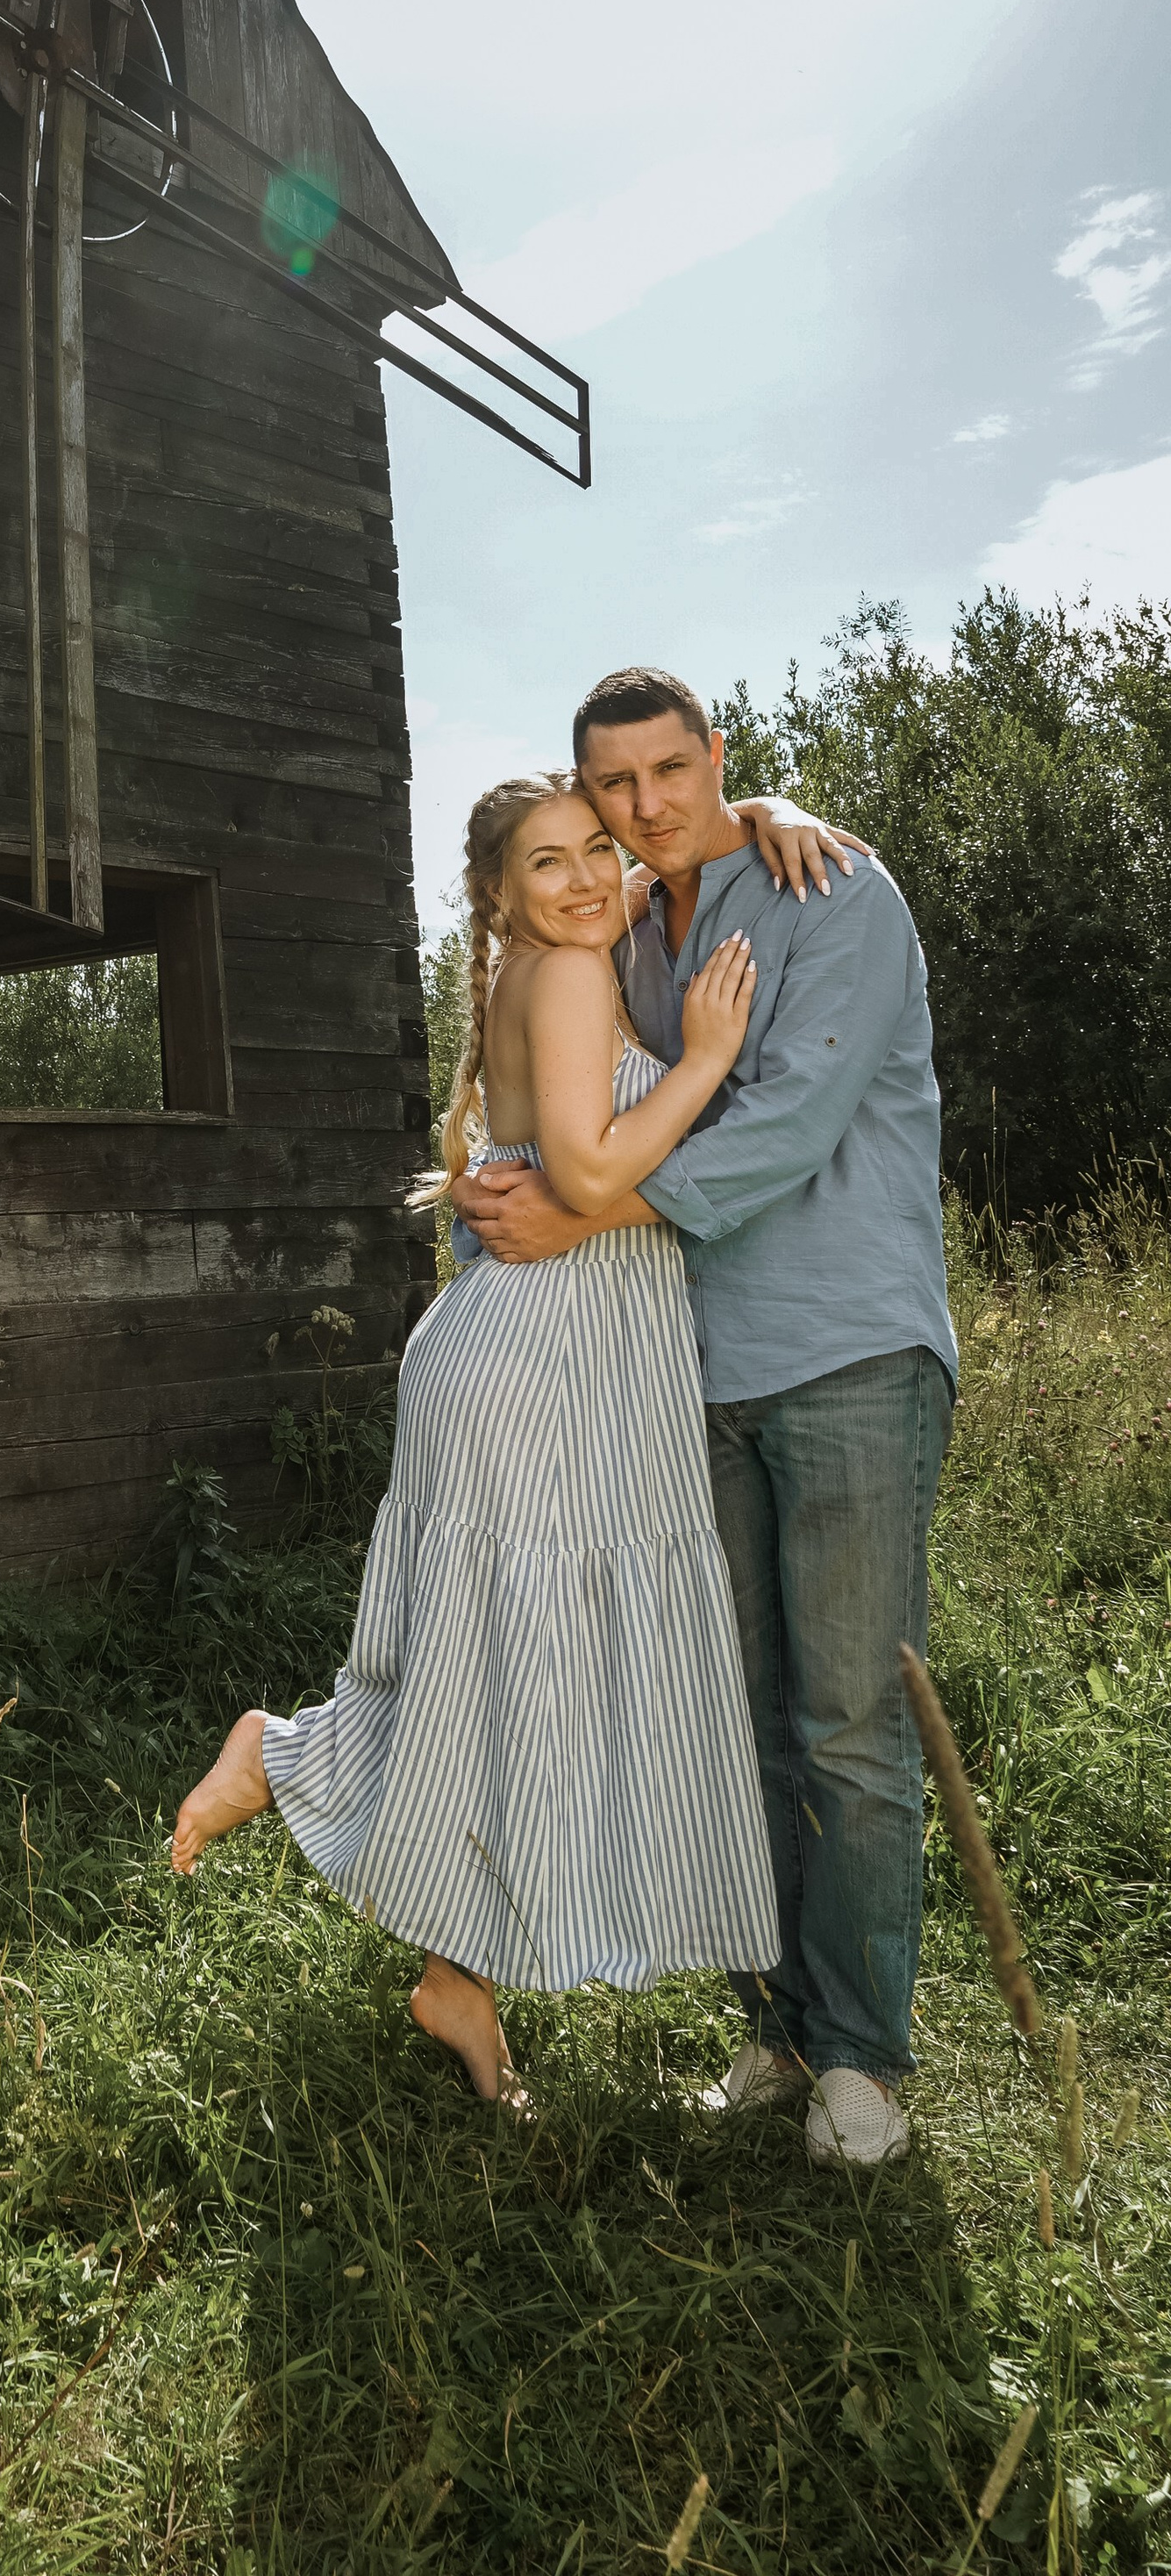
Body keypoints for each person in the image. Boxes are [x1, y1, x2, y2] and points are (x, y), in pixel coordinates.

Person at [171, 768, 793, 2110]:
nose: (582, 881)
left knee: (508, 1667)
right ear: (498, 895)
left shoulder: (551, 959)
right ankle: (282, 1756)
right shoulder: (567, 978)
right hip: (541, 1357)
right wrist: (702, 1061)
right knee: (523, 1654)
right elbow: (581, 1171)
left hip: (538, 1346)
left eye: (594, 853)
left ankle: (461, 1972)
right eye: (547, 864)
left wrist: (777, 816)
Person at [452, 668, 957, 2171]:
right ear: (589, 797)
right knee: (737, 1714)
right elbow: (570, 1095)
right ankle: (779, 2023)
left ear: (720, 760)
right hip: (695, 1368)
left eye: (677, 772)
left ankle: (864, 2060)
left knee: (851, 1721)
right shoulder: (636, 929)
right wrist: (516, 1192)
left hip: (852, 1352)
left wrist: (578, 1209)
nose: (648, 807)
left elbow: (786, 1124)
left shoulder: (838, 890)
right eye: (616, 787)